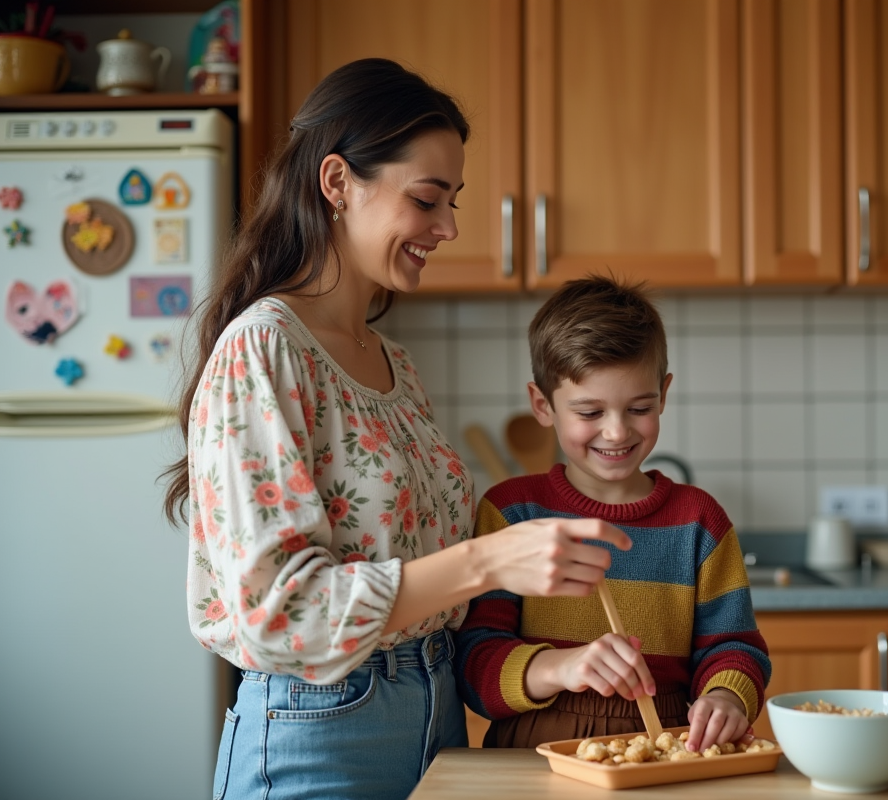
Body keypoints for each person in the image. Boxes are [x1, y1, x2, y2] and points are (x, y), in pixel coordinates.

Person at [162, 59, 631, 800]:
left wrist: (555, 662)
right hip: (320, 731)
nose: (447, 228)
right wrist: (487, 561)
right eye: (426, 199)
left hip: (438, 713)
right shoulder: (265, 349)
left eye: (454, 202)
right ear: (338, 182)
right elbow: (280, 615)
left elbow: (415, 570)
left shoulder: (395, 365)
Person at [454, 275, 771, 753]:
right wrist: (559, 667)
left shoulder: (700, 520)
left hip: (667, 746)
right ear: (543, 405)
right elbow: (475, 665)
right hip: (534, 752)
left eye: (639, 407)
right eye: (589, 412)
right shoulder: (512, 511)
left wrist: (726, 696)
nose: (617, 431)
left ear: (664, 395)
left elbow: (735, 647)